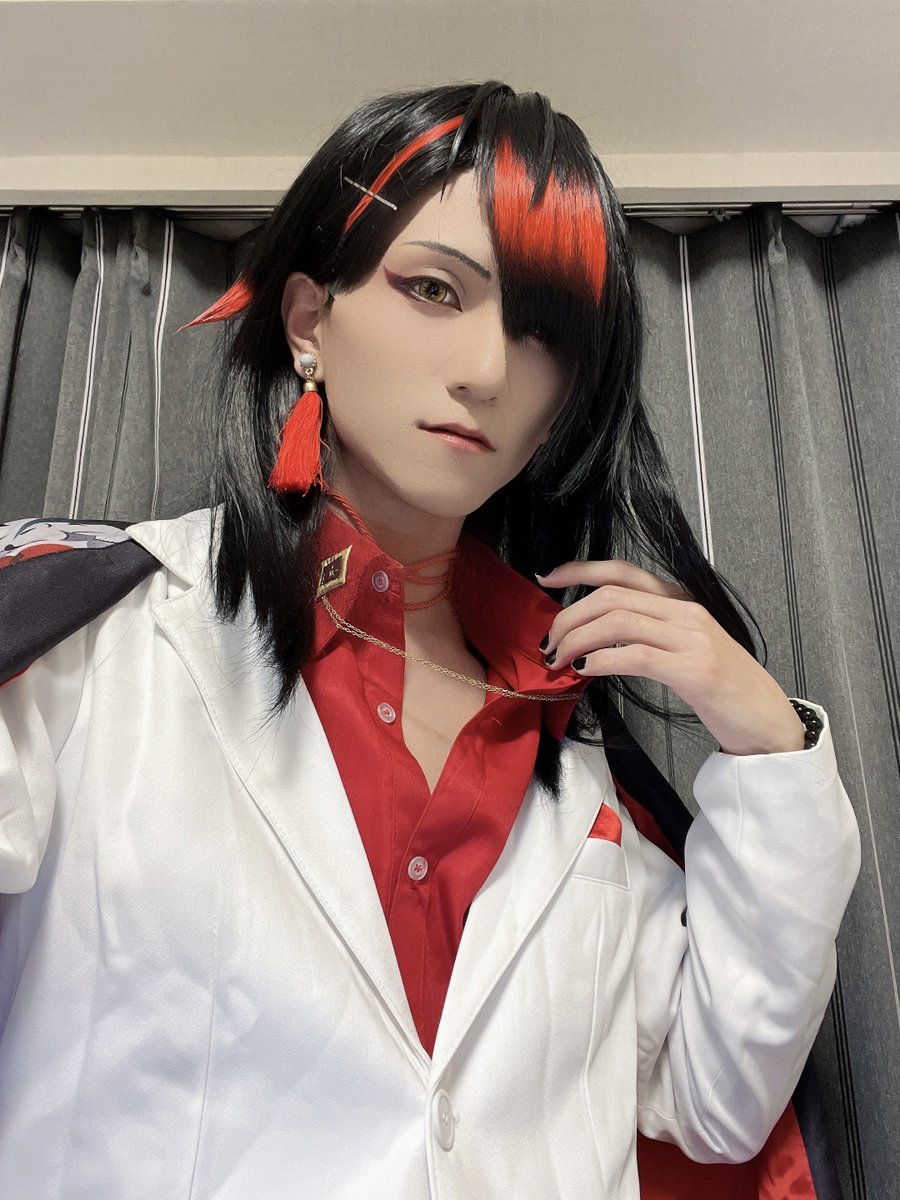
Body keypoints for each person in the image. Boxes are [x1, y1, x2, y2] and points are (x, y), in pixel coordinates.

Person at [0, 80, 859, 1199]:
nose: (490, 371)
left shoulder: (573, 733)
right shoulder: (84, 636)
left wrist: (769, 748)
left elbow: (718, 1103)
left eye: (544, 334)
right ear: (309, 322)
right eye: (435, 290)